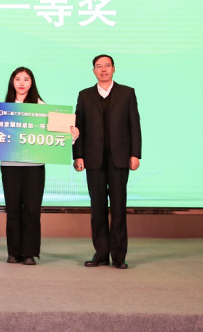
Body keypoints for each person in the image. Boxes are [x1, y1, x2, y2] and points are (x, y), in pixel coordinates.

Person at [0, 67, 78, 265]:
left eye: (26, 79)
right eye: (18, 79)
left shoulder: (42, 107)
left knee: (32, 209)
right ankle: (13, 252)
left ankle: (29, 253)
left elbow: (58, 138)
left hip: (34, 165)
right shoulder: (2, 109)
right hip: (9, 164)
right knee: (13, 208)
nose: (22, 83)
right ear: (12, 82)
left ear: (32, 83)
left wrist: (72, 136)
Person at [73, 55, 141, 269]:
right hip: (94, 160)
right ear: (94, 71)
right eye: (98, 66)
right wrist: (78, 155)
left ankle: (119, 256)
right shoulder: (84, 95)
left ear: (114, 69)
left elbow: (134, 125)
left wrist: (135, 154)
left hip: (119, 159)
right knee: (98, 208)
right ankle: (101, 254)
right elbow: (78, 127)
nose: (103, 70)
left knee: (119, 208)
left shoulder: (127, 93)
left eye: (107, 66)